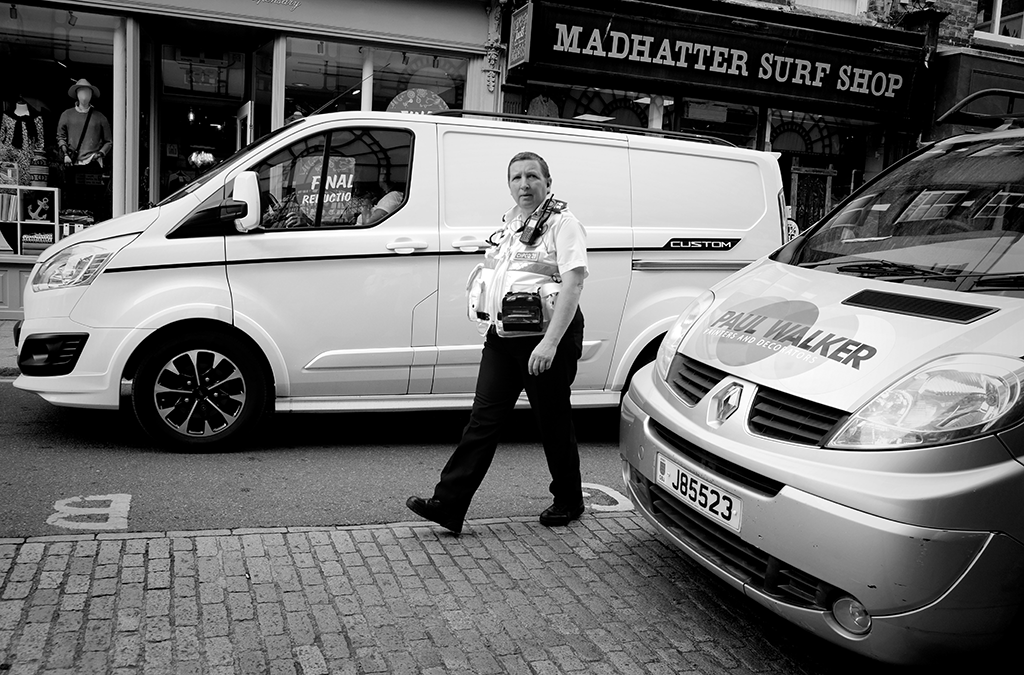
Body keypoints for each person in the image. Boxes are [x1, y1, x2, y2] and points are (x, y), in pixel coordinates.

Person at [406, 151, 587, 535]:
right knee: (482, 420)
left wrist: (551, 344)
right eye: (516, 178)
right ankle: (449, 505)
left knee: (552, 421)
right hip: (503, 337)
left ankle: (570, 499)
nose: (524, 184)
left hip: (546, 338)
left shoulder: (564, 225)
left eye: (532, 177)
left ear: (548, 183)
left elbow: (573, 285)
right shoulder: (510, 224)